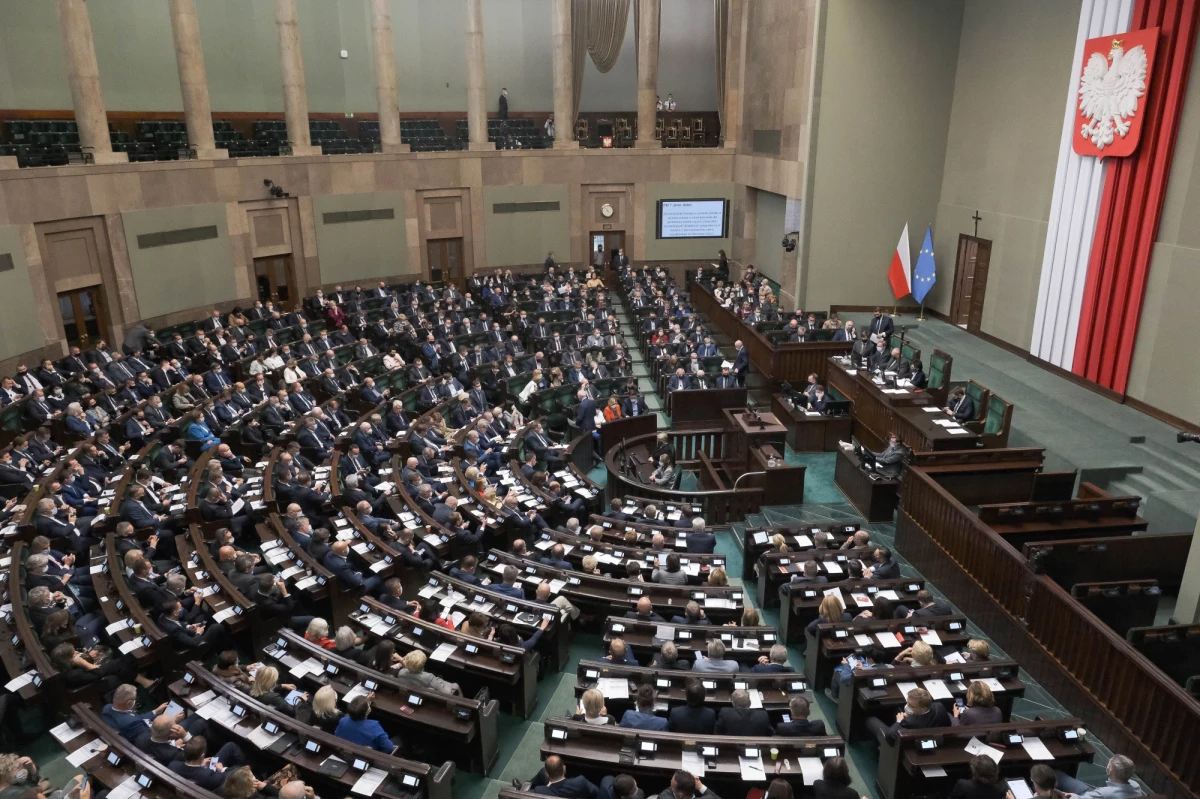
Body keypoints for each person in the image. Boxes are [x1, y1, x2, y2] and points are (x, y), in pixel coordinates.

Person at [866, 687, 950, 742]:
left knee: (870, 720)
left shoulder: (908, 722)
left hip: (906, 744)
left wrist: (898, 722)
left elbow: (890, 736)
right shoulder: (939, 706)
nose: (907, 706)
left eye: (911, 705)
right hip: (931, 736)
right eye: (907, 702)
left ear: (923, 709)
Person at [1052, 754, 1142, 799]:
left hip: (1089, 796)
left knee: (1057, 775)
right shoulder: (1136, 786)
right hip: (1092, 794)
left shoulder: (1105, 793)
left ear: (1109, 771)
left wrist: (1074, 796)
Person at [528, 755, 601, 798]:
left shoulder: (539, 791)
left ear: (547, 773)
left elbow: (525, 795)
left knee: (541, 772)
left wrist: (547, 788)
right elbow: (598, 793)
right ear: (564, 768)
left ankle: (528, 783)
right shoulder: (580, 782)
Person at [396, 650, 460, 695]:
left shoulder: (401, 672)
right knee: (456, 685)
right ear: (423, 665)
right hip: (430, 692)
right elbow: (446, 694)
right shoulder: (429, 677)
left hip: (415, 692)